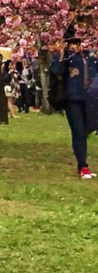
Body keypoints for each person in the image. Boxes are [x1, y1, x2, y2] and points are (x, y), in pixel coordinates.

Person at [49, 27, 98, 180]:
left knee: (88, 130)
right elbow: (56, 70)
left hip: (91, 98)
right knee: (78, 132)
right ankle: (82, 165)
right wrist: (61, 53)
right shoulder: (68, 56)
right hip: (73, 99)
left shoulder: (89, 56)